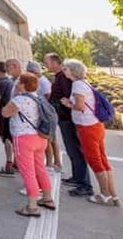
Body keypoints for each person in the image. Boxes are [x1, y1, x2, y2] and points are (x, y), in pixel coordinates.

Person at [60, 59, 121, 207]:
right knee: (102, 160)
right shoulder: (84, 83)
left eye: (66, 68)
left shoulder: (77, 85)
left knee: (95, 161)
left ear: (73, 71)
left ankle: (104, 195)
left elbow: (80, 106)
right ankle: (113, 195)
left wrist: (68, 104)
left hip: (87, 127)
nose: (64, 71)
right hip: (95, 125)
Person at [2, 73, 56, 218]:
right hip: (40, 137)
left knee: (28, 172)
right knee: (40, 169)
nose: (17, 83)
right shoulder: (39, 98)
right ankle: (47, 198)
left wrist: (14, 95)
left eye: (19, 81)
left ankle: (32, 206)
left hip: (24, 138)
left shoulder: (19, 100)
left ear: (23, 84)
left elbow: (5, 113)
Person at [45, 53, 93, 196]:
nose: (45, 65)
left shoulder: (64, 78)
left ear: (54, 62)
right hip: (66, 117)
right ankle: (77, 177)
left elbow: (69, 98)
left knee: (76, 150)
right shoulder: (61, 77)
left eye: (46, 62)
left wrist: (61, 105)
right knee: (72, 150)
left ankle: (84, 184)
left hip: (68, 119)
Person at [27, 61, 62, 172]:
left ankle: (51, 164)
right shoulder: (41, 81)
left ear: (34, 71)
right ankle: (56, 162)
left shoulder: (42, 82)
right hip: (47, 113)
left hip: (46, 114)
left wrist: (44, 109)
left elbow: (48, 96)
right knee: (51, 139)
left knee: (47, 140)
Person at [0, 61, 15, 176]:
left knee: (6, 138)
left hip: (2, 114)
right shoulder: (10, 81)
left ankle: (9, 164)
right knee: (10, 138)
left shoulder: (0, 83)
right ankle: (15, 162)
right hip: (10, 113)